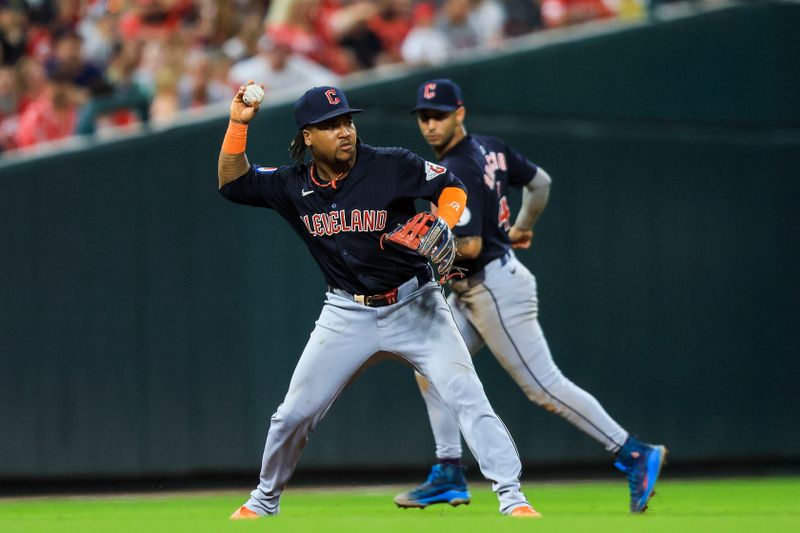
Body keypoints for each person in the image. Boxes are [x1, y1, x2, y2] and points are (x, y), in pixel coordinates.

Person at [217, 82, 541, 519]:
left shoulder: (391, 164)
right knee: (293, 414)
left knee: (466, 394)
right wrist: (238, 125)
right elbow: (232, 182)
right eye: (330, 125)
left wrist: (443, 222)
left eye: (347, 120)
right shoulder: (292, 185)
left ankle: (513, 499)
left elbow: (451, 185)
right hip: (347, 312)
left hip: (416, 304)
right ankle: (263, 501)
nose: (344, 131)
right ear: (308, 137)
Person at [395, 79, 667, 514]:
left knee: (543, 386)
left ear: (459, 114)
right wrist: (523, 226)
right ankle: (449, 470)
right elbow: (540, 183)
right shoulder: (490, 147)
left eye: (439, 115)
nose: (430, 125)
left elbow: (466, 248)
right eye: (424, 117)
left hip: (491, 287)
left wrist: (419, 247)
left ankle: (633, 451)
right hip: (478, 284)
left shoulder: (460, 167)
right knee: (429, 368)